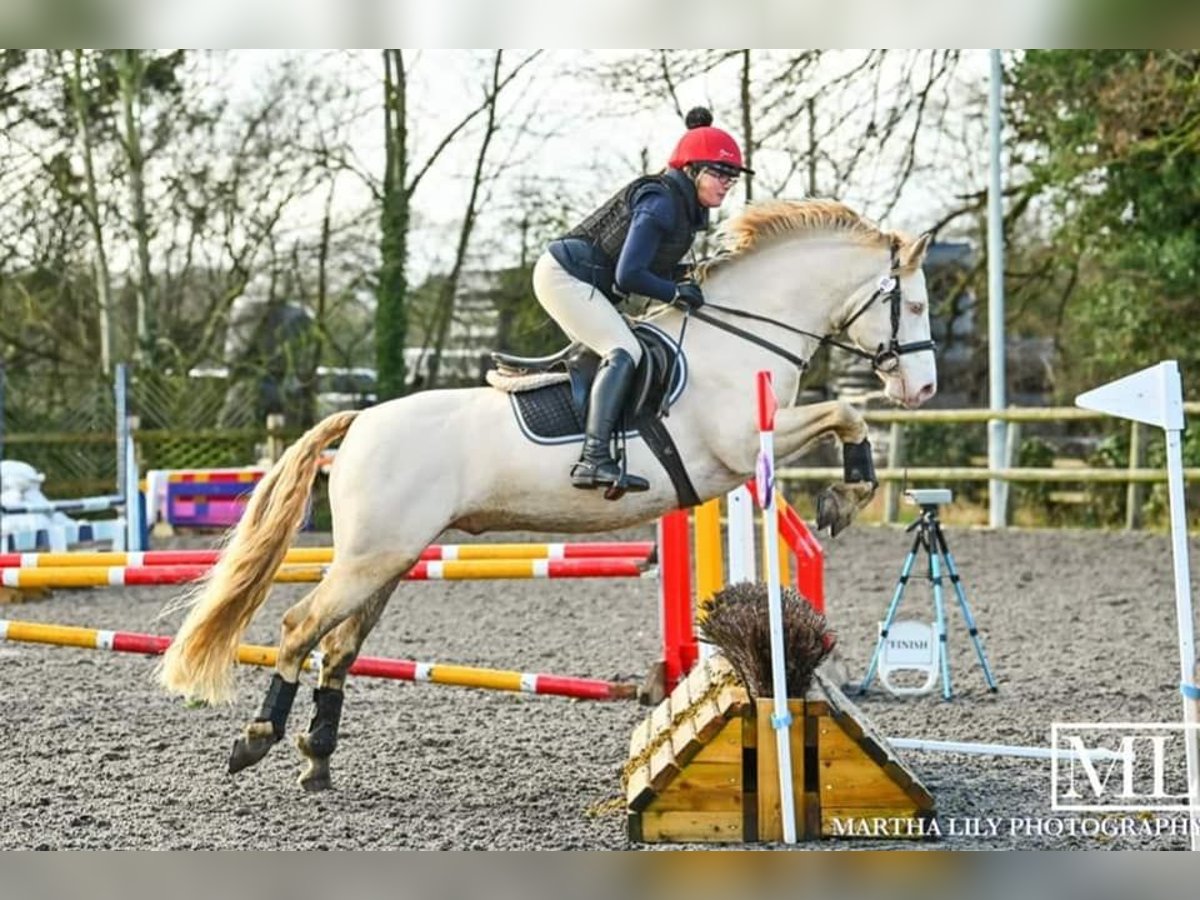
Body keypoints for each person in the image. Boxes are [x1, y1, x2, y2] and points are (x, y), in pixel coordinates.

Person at [533, 106, 751, 495]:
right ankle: (593, 458)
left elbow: (649, 268)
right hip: (564, 277)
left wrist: (693, 277)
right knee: (624, 350)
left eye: (731, 178)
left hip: (585, 282)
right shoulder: (661, 202)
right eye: (719, 174)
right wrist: (674, 292)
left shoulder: (681, 207)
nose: (726, 184)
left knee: (626, 348)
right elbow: (629, 275)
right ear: (691, 170)